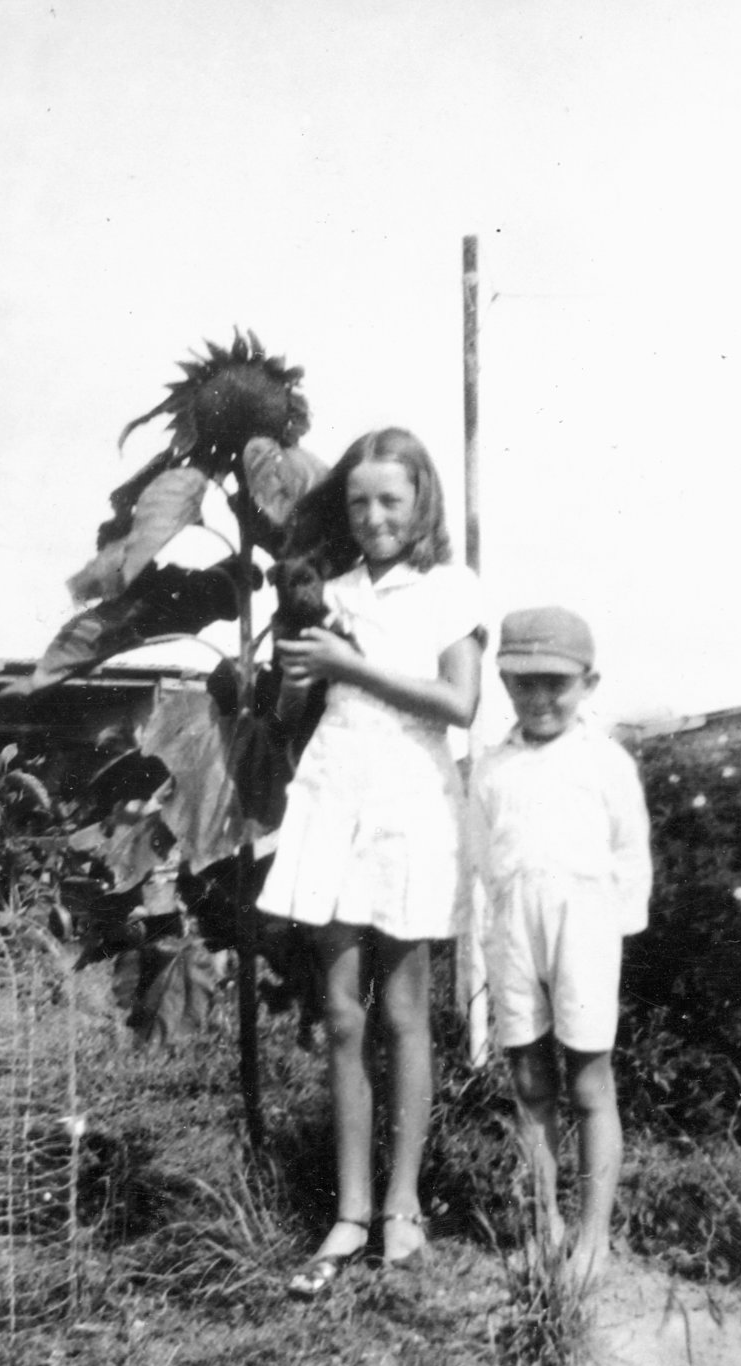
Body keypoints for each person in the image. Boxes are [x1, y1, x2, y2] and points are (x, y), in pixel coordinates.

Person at [258, 427, 484, 1296]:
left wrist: (350, 663)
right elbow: (295, 714)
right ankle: (349, 1211)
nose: (374, 516)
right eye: (358, 502)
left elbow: (460, 702)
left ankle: (402, 1205)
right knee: (343, 1013)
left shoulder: (449, 589)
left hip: (410, 803)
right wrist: (298, 675)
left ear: (422, 500)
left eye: (391, 499)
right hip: (335, 796)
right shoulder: (333, 591)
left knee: (403, 1009)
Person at [468, 607, 652, 1289]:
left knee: (588, 1082)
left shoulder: (606, 763)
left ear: (588, 684)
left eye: (557, 683)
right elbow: (481, 859)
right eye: (524, 683)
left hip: (585, 929)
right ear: (504, 684)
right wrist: (492, 934)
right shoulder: (491, 768)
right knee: (529, 1082)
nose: (540, 698)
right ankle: (542, 1225)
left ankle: (593, 1237)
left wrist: (608, 938)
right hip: (514, 929)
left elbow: (630, 855)